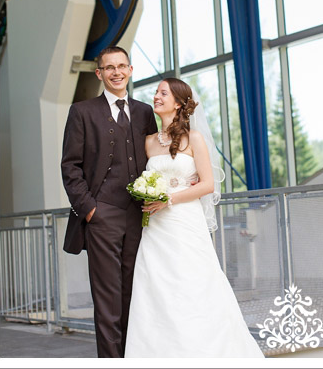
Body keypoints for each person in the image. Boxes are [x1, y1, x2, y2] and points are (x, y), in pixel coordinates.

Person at [125, 78, 263, 357]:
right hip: (156, 228)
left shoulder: (194, 138)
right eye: (156, 92)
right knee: (156, 289)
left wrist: (168, 199)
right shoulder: (149, 142)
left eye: (163, 93)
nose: (156, 97)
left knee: (192, 285)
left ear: (178, 102)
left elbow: (207, 185)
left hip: (184, 223)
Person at [60, 45, 157, 358]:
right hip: (102, 216)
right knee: (107, 301)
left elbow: (156, 156)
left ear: (130, 70)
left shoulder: (144, 112)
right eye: (109, 67)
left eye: (122, 66)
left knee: (134, 294)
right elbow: (70, 166)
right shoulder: (82, 112)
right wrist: (90, 210)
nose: (116, 72)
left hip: (140, 217)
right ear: (99, 73)